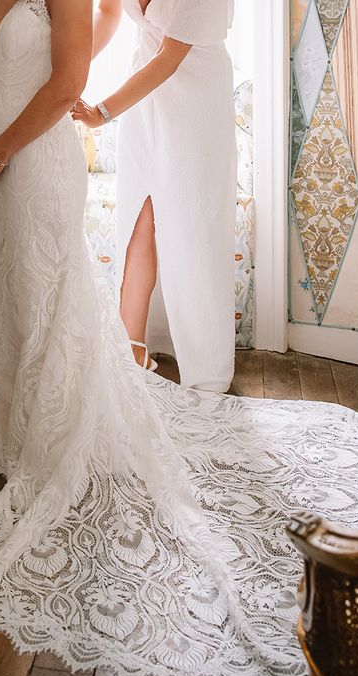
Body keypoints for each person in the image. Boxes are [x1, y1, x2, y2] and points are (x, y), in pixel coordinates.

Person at [0, 0, 358, 676]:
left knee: (99, 268)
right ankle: (44, 405)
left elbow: (89, 71)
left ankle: (128, 395)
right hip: (21, 150)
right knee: (35, 279)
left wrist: (26, 137)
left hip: (88, 135)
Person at [73, 0, 236, 391]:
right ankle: (131, 346)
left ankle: (207, 368)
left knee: (192, 226)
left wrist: (102, 111)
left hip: (196, 100)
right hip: (144, 96)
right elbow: (107, 12)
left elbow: (169, 58)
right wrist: (65, 66)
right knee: (139, 212)